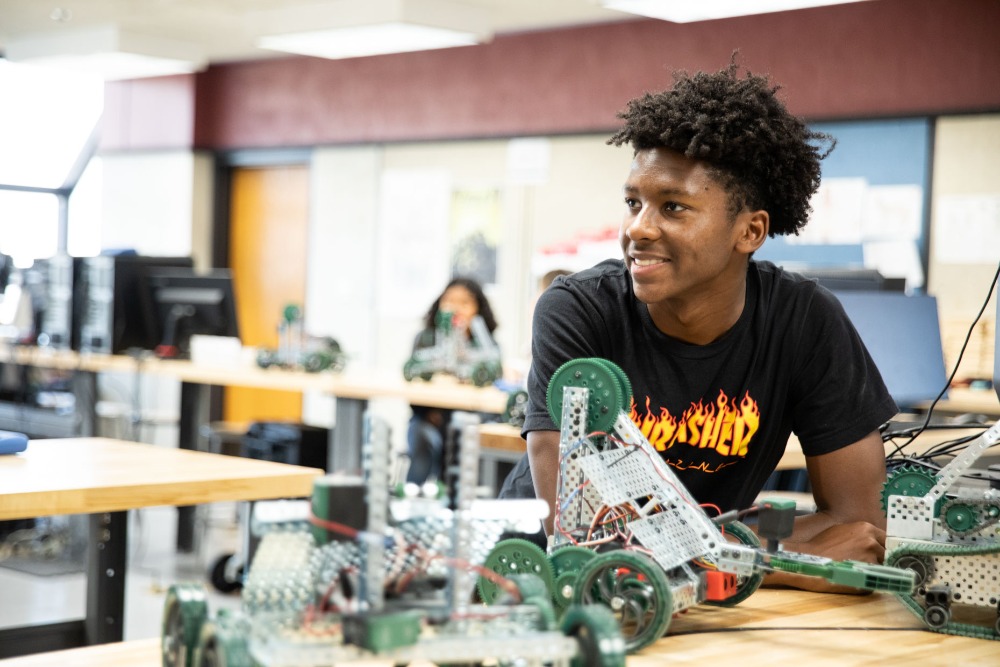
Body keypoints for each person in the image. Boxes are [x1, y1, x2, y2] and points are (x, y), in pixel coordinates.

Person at [501, 61, 898, 592]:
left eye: (673, 207)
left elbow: (859, 530)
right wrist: (770, 560)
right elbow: (582, 535)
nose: (638, 228)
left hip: (704, 597)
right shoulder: (578, 311)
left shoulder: (804, 320)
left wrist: (728, 560)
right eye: (633, 203)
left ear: (749, 231)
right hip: (541, 585)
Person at [405, 277, 499, 485]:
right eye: (449, 301)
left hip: (470, 419)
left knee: (463, 439)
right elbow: (413, 386)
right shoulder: (425, 339)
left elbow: (493, 382)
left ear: (478, 309)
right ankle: (414, 492)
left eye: (465, 302)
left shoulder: (486, 345)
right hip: (428, 417)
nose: (455, 308)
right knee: (422, 437)